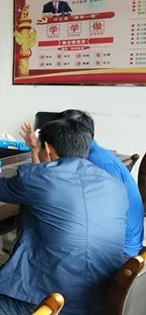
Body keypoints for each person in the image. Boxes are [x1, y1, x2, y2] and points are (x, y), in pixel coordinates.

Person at [0, 119, 127, 315]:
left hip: (49, 301)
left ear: (47, 148)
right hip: (102, 297)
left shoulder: (38, 177)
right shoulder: (114, 185)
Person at [21, 109, 144, 258]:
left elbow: (43, 184)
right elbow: (43, 179)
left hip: (120, 249)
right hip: (109, 240)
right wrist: (35, 149)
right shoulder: (82, 156)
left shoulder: (98, 163)